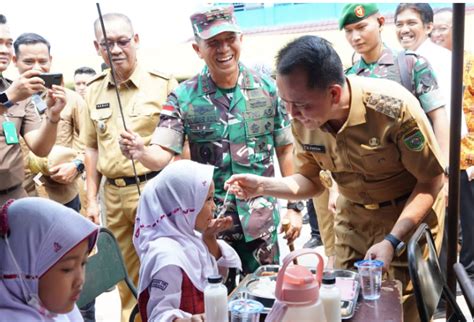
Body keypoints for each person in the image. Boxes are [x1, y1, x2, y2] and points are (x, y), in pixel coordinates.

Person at [225, 35, 445, 322]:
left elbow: (430, 181)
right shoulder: (303, 119)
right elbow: (310, 180)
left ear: (334, 93)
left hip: (406, 222)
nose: (292, 114)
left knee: (398, 310)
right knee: (344, 307)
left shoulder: (393, 109)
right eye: (286, 103)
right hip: (352, 222)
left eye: (301, 104)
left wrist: (392, 240)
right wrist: (263, 186)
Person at [119, 6, 299, 285]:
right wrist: (141, 152)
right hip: (212, 230)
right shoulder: (183, 97)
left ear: (241, 39)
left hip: (262, 225)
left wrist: (294, 209)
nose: (224, 48)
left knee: (267, 301)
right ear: (197, 48)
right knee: (216, 305)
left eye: (230, 39)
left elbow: (286, 149)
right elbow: (162, 155)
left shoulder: (268, 89)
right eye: (213, 42)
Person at [82, 13, 178, 321]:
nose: (117, 49)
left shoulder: (162, 84)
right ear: (98, 48)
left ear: (136, 40)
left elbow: (177, 146)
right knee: (124, 273)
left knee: (162, 267)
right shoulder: (93, 90)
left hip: (154, 188)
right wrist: (90, 200)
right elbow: (91, 147)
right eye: (108, 44)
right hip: (113, 195)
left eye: (123, 41)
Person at [133, 160, 241, 322]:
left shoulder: (191, 238)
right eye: (208, 199)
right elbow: (158, 316)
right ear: (183, 205)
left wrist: (209, 236)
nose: (214, 207)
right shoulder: (167, 257)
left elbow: (221, 272)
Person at [13, 33, 86, 212]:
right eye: (29, 62)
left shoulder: (70, 99)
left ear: (50, 60)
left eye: (43, 61)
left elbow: (93, 144)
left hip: (63, 197)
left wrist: (77, 165)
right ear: (15, 60)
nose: (37, 68)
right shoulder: (7, 102)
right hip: (22, 198)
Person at [0, 15, 66, 205]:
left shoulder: (20, 91)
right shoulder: (15, 93)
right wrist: (7, 99)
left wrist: (52, 117)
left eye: (8, 43)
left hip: (15, 197)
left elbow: (41, 148)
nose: (4, 50)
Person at [0, 197, 99, 321]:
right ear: (23, 269)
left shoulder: (57, 307)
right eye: (67, 269)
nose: (80, 280)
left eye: (83, 263)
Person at [432, 7, 474, 281]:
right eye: (433, 29)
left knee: (469, 221)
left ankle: (470, 273)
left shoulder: (468, 64)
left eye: (443, 29)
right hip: (445, 158)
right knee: (449, 222)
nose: (436, 34)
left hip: (468, 158)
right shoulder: (434, 65)